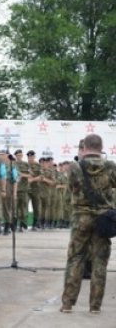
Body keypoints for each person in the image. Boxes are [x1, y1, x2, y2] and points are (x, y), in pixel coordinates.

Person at [60, 134, 116, 314]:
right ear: (101, 147)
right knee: (100, 262)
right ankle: (95, 306)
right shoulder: (110, 166)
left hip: (81, 218)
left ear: (84, 148)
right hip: (103, 219)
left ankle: (67, 303)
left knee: (75, 258)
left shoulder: (75, 167)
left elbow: (69, 193)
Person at [14, 149, 30, 231]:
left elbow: (30, 175)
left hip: (23, 190)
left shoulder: (26, 165)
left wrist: (21, 174)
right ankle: (15, 224)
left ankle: (22, 224)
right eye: (17, 155)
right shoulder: (12, 164)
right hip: (15, 190)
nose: (19, 157)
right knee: (15, 209)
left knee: (24, 209)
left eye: (20, 155)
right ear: (15, 156)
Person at [27, 150, 42, 231]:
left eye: (32, 157)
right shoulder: (25, 165)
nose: (30, 158)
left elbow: (41, 177)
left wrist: (33, 179)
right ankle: (23, 223)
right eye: (29, 157)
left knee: (36, 207)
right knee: (24, 206)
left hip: (35, 189)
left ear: (34, 157)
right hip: (26, 189)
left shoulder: (38, 166)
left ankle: (35, 223)